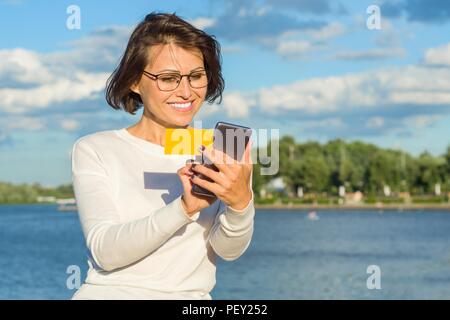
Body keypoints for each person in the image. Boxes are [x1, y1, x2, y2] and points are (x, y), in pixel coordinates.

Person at [71, 12, 255, 300]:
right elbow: (105, 252)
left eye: (196, 76)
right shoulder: (96, 149)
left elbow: (227, 251)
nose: (186, 92)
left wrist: (241, 204)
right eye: (168, 78)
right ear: (134, 81)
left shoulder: (223, 149)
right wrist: (183, 207)